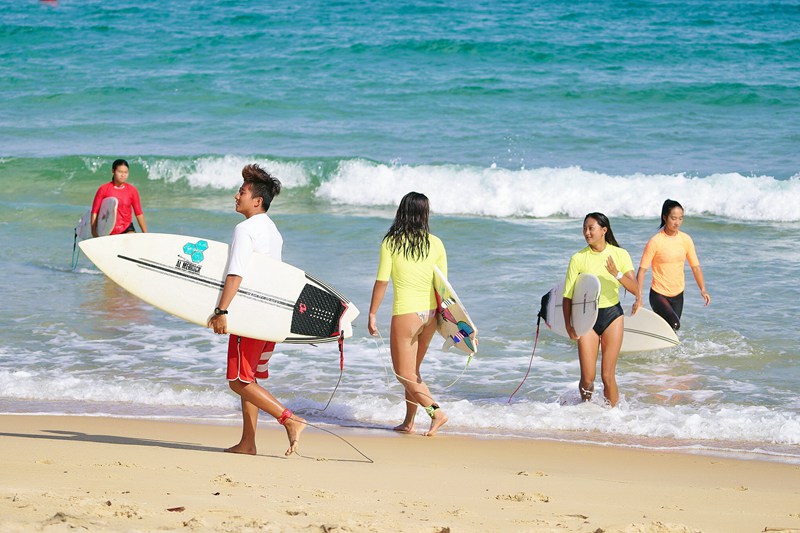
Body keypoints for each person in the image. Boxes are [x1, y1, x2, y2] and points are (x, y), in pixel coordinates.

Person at [208, 163, 306, 456]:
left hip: (248, 315)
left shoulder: (245, 229)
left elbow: (235, 273)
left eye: (242, 192)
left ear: (257, 200)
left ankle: (290, 420)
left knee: (238, 381)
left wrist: (222, 310)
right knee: (248, 379)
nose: (236, 196)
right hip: (270, 318)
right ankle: (248, 442)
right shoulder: (273, 231)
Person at [367, 192, 449, 436]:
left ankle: (436, 412)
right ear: (424, 213)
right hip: (431, 316)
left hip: (406, 314)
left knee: (403, 373)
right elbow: (443, 286)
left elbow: (381, 282)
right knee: (413, 372)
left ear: (402, 211)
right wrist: (451, 323)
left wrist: (372, 313)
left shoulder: (391, 242)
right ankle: (409, 422)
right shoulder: (436, 243)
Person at [563, 213, 637, 407]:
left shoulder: (620, 255)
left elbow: (636, 288)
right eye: (585, 228)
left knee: (607, 375)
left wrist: (617, 274)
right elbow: (567, 296)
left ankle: (612, 417)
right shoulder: (578, 258)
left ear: (604, 230)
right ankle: (585, 409)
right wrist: (569, 325)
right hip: (586, 318)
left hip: (612, 315)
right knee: (587, 377)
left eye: (591, 228)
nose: (587, 232)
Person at [633, 199, 711, 330]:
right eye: (674, 218)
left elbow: (695, 267)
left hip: (678, 295)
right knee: (675, 324)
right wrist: (638, 298)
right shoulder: (655, 241)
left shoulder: (685, 239)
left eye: (681, 218)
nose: (677, 222)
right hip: (659, 294)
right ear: (665, 217)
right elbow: (642, 271)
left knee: (672, 331)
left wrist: (702, 289)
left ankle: (660, 345)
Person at [90, 159, 148, 237]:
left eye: (125, 172)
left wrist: (145, 233)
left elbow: (139, 213)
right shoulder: (104, 189)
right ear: (113, 171)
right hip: (108, 229)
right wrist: (94, 232)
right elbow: (95, 212)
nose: (123, 175)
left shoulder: (132, 190)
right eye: (120, 172)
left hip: (127, 228)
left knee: (131, 241)